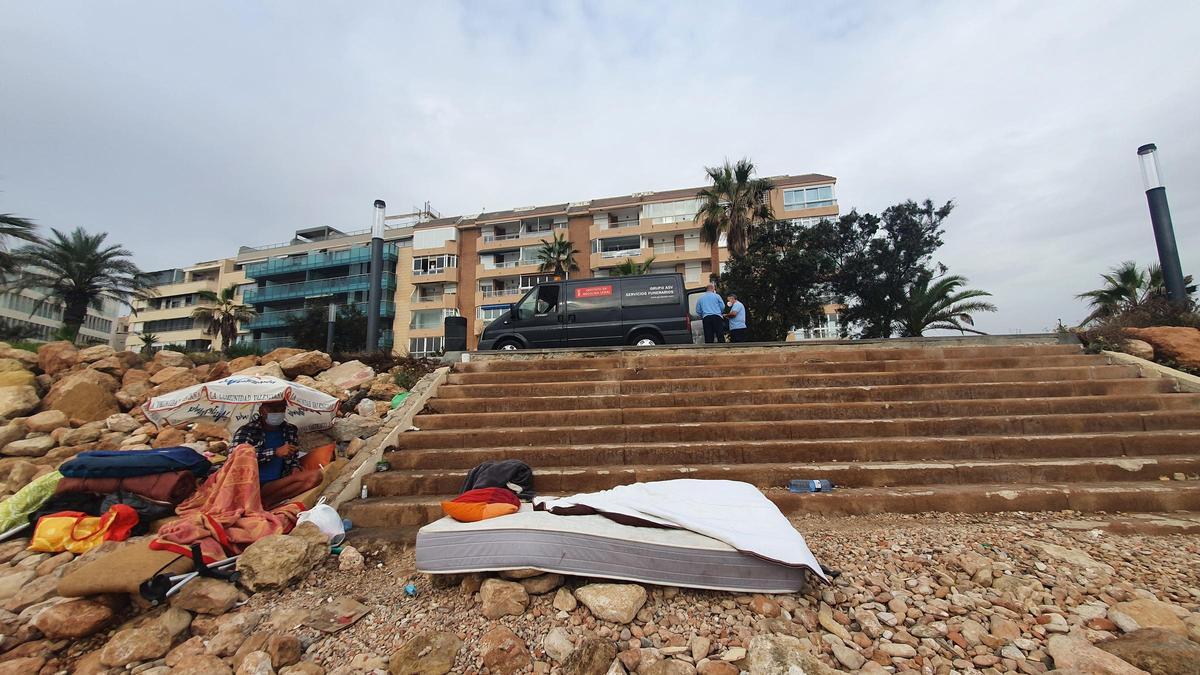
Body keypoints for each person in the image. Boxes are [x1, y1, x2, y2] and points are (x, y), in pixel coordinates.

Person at [231, 400, 300, 483]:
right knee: (313, 477)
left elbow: (294, 457)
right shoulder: (247, 431)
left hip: (280, 481)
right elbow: (235, 459)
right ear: (261, 410)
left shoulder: (290, 430)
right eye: (273, 409)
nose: (278, 412)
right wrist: (275, 452)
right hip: (251, 484)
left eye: (282, 408)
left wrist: (295, 467)